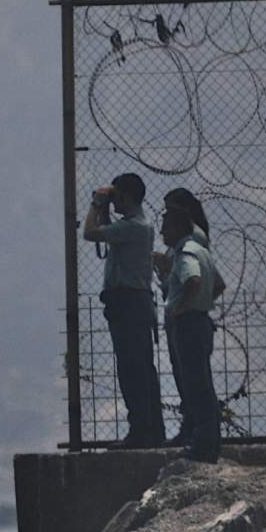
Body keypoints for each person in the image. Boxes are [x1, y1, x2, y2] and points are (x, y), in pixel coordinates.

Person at [83, 173, 164, 447]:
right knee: (141, 368)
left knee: (132, 370)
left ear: (127, 196)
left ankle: (141, 432)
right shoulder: (136, 225)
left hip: (128, 303)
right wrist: (106, 211)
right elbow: (110, 232)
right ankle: (152, 431)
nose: (113, 199)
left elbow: (89, 233)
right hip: (134, 302)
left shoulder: (134, 227)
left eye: (116, 195)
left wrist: (96, 204)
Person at [153, 188, 218, 446]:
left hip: (186, 316)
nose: (162, 229)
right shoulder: (190, 243)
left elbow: (193, 278)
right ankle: (197, 430)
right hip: (188, 313)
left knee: (192, 378)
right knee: (190, 376)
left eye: (170, 212)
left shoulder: (191, 243)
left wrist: (187, 306)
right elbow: (215, 283)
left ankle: (197, 432)